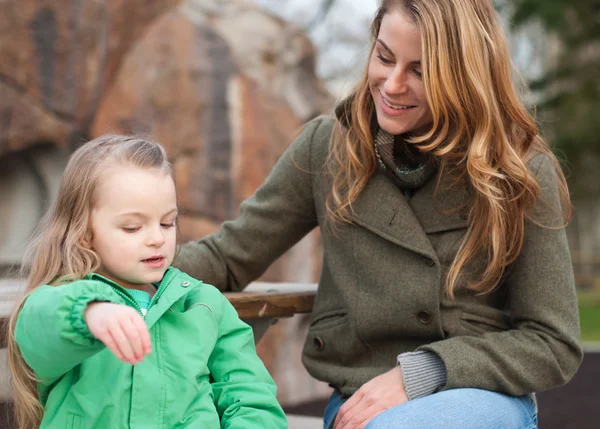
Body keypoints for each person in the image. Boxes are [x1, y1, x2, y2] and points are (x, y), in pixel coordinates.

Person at [172, 0, 583, 428]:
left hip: (478, 397)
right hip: (361, 400)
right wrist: (108, 267)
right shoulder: (327, 148)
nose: (392, 85)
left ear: (463, 78)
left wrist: (422, 372)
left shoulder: (517, 170)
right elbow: (227, 257)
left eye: (421, 71)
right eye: (384, 57)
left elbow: (553, 342)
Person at [7, 135, 288, 429]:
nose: (157, 238)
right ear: (84, 232)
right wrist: (88, 312)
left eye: (167, 222)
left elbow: (250, 396)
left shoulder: (205, 305)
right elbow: (36, 325)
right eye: (132, 227)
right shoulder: (62, 298)